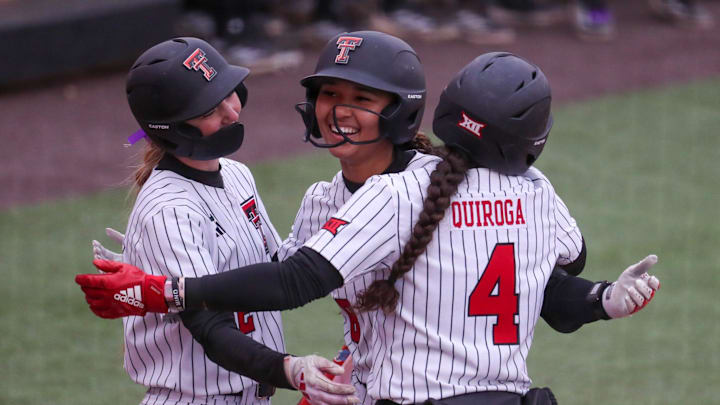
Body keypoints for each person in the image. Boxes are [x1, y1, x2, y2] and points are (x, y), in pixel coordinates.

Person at [79, 50, 661, 404]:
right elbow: (561, 277)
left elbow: (291, 281)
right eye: (331, 94)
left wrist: (166, 289)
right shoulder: (529, 191)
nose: (339, 111)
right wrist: (600, 299)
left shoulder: (396, 193)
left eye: (360, 98)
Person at [90, 36, 357, 405]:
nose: (232, 111)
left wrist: (313, 229)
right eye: (209, 109)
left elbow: (270, 275)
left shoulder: (235, 174)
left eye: (229, 93)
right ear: (175, 126)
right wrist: (290, 369)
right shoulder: (170, 210)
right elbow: (210, 329)